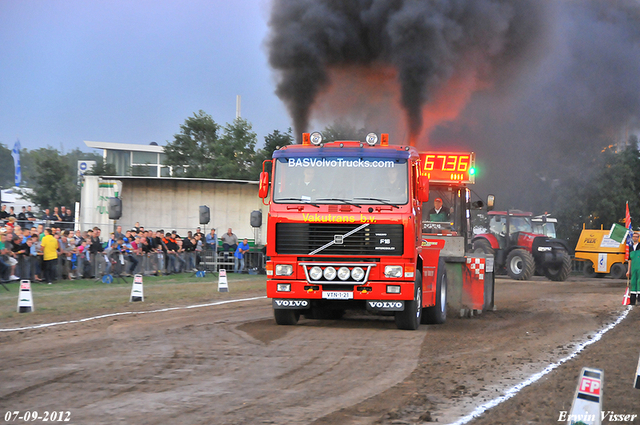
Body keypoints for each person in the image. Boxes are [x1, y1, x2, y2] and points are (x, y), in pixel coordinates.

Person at [628, 232, 640, 305]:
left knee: (639, 282)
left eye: (637, 236)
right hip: (633, 268)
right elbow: (629, 260)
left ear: (638, 238)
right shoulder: (630, 247)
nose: (635, 238)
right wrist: (628, 270)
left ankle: (639, 300)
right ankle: (632, 301)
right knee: (633, 283)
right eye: (634, 236)